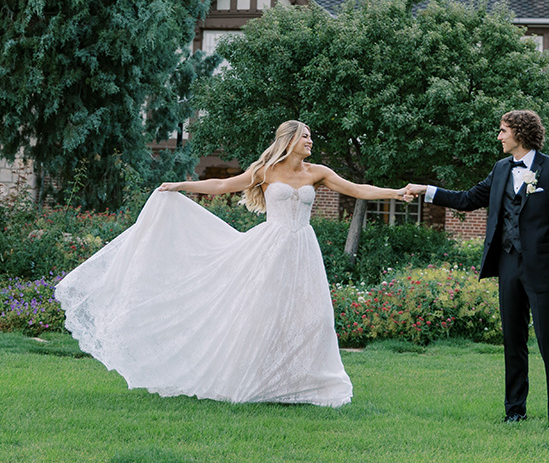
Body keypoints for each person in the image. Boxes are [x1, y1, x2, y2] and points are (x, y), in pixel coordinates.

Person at [55, 120, 410, 408]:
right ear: (288, 140)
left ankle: (307, 382)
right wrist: (183, 184)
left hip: (303, 248)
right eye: (305, 137)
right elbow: (224, 183)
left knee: (312, 316)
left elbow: (357, 189)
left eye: (311, 137)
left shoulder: (317, 172)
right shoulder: (267, 171)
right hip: (270, 248)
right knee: (262, 314)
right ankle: (252, 380)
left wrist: (395, 193)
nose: (310, 142)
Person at [403, 110, 549, 431]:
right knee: (512, 341)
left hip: (543, 268)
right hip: (508, 263)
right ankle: (515, 412)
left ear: (520, 133)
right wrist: (426, 190)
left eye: (503, 131)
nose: (499, 137)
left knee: (547, 340)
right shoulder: (501, 169)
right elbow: (467, 199)